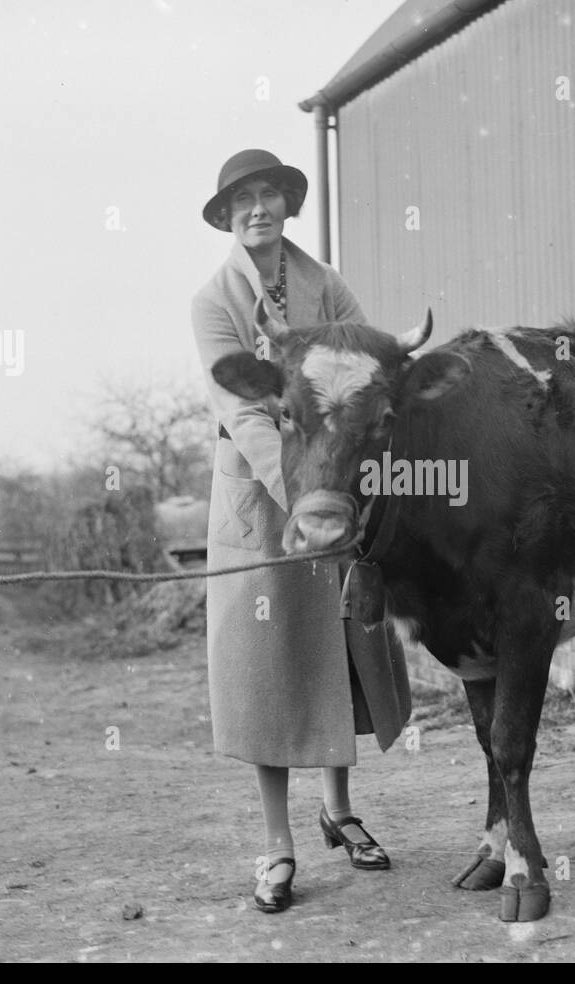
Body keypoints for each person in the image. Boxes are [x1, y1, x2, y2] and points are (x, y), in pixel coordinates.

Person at [190, 149, 412, 913]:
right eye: (243, 200)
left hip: (329, 491)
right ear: (225, 216)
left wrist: (338, 484)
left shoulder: (326, 285)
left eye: (271, 196)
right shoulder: (213, 301)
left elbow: (360, 366)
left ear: (288, 205)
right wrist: (308, 498)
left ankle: (340, 809)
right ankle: (278, 844)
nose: (259, 209)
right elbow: (244, 412)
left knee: (340, 652)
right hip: (263, 504)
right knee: (270, 665)